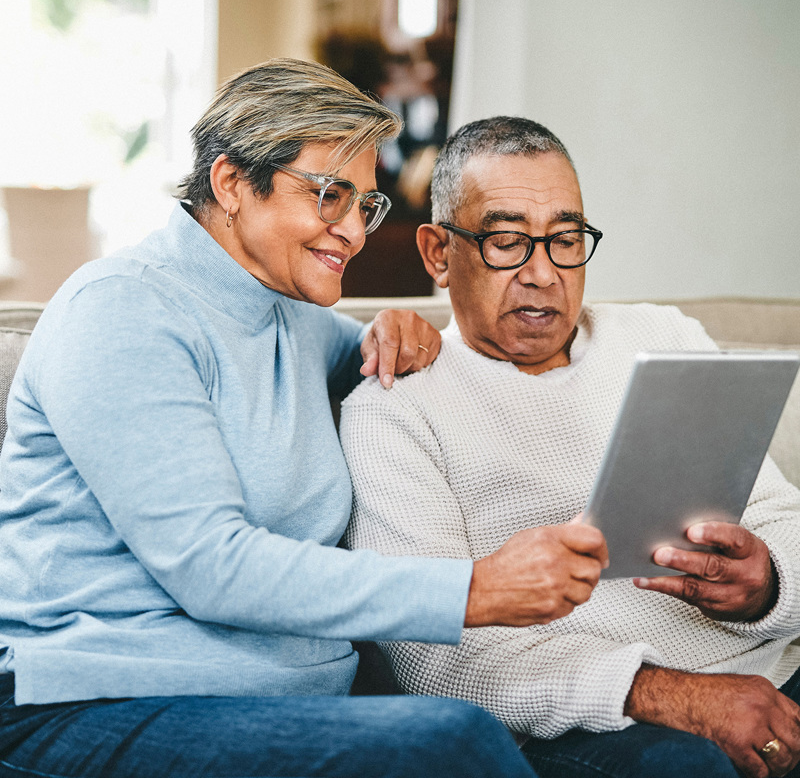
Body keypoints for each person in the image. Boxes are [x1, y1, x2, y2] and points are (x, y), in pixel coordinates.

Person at [0, 64, 611, 778]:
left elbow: (397, 361)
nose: (352, 231)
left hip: (289, 701)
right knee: (454, 741)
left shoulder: (295, 319)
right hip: (96, 703)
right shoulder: (121, 310)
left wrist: (397, 329)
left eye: (367, 205)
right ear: (230, 184)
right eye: (329, 196)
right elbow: (212, 567)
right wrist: (472, 590)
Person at [341, 115, 800, 778]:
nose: (543, 273)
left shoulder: (661, 335)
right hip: (603, 720)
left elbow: (783, 516)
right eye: (506, 241)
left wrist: (768, 584)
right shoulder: (396, 409)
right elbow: (432, 658)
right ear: (438, 252)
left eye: (565, 239)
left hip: (776, 664)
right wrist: (668, 694)